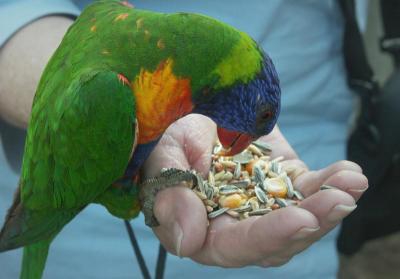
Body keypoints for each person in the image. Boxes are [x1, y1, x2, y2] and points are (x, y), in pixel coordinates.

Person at [0, 0, 368, 278]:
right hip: (89, 253)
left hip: (314, 145)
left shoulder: (177, 82)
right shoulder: (116, 96)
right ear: (229, 82)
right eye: (260, 118)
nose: (242, 143)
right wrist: (149, 186)